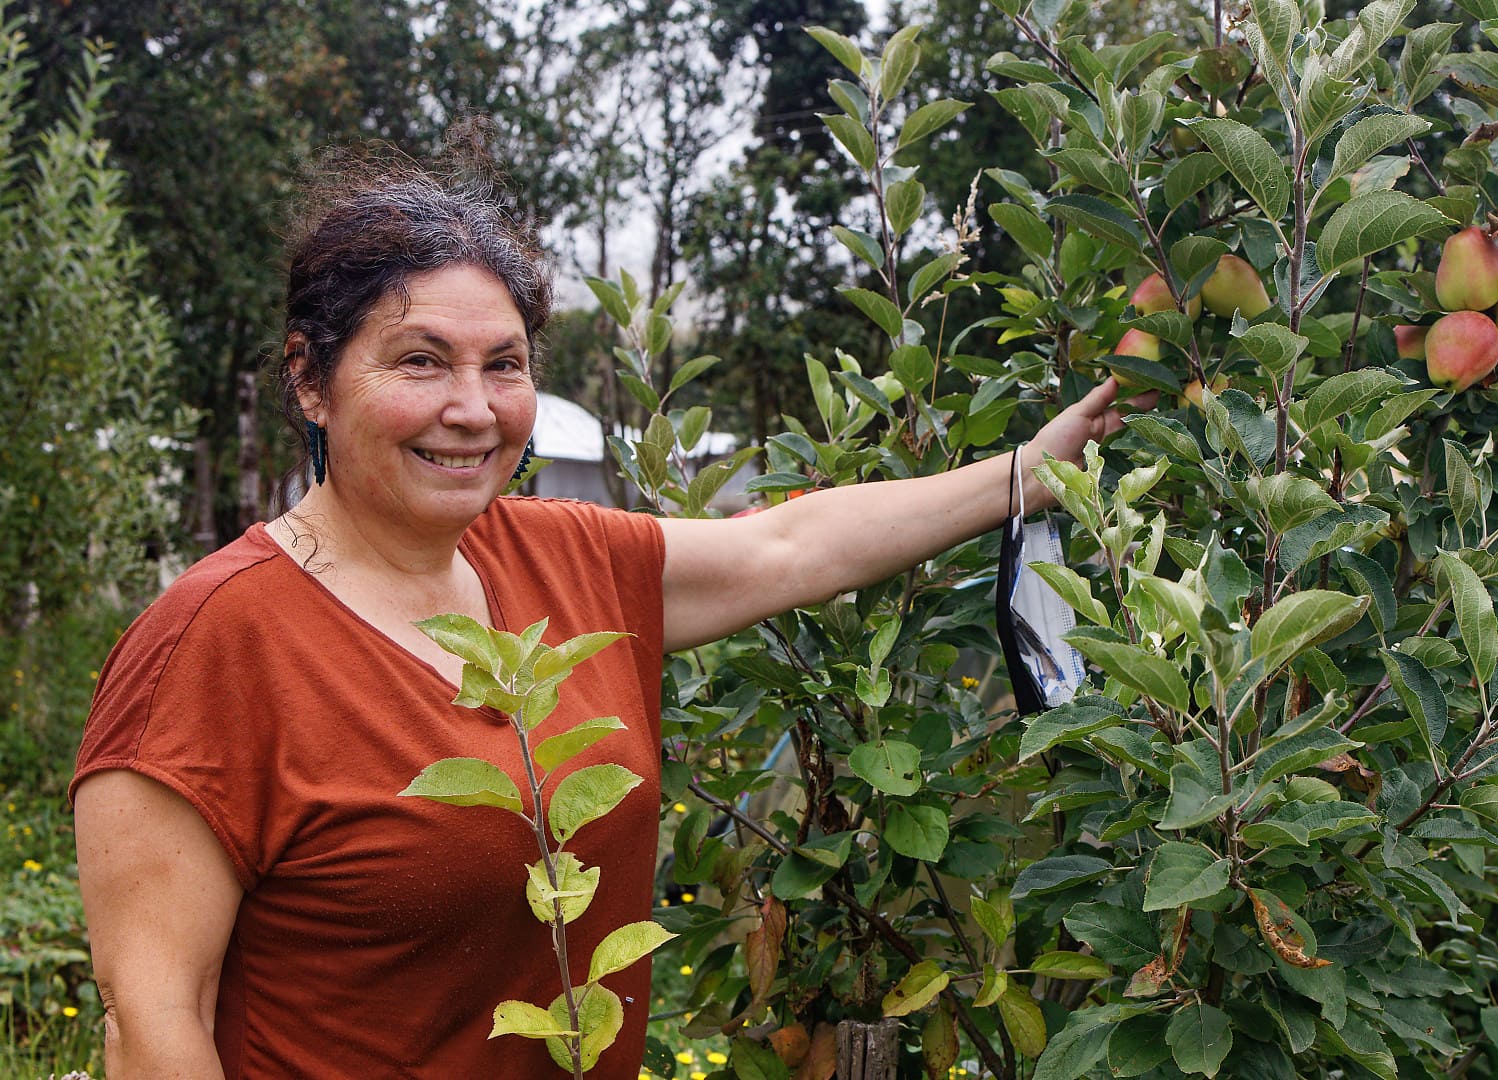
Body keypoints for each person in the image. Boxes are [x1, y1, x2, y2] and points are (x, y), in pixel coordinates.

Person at [69, 149, 1132, 1077]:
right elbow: (152, 1024)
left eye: (506, 366)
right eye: (421, 361)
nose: (473, 410)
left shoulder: (558, 555)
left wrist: (1027, 474)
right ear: (311, 380)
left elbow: (790, 543)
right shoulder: (213, 646)